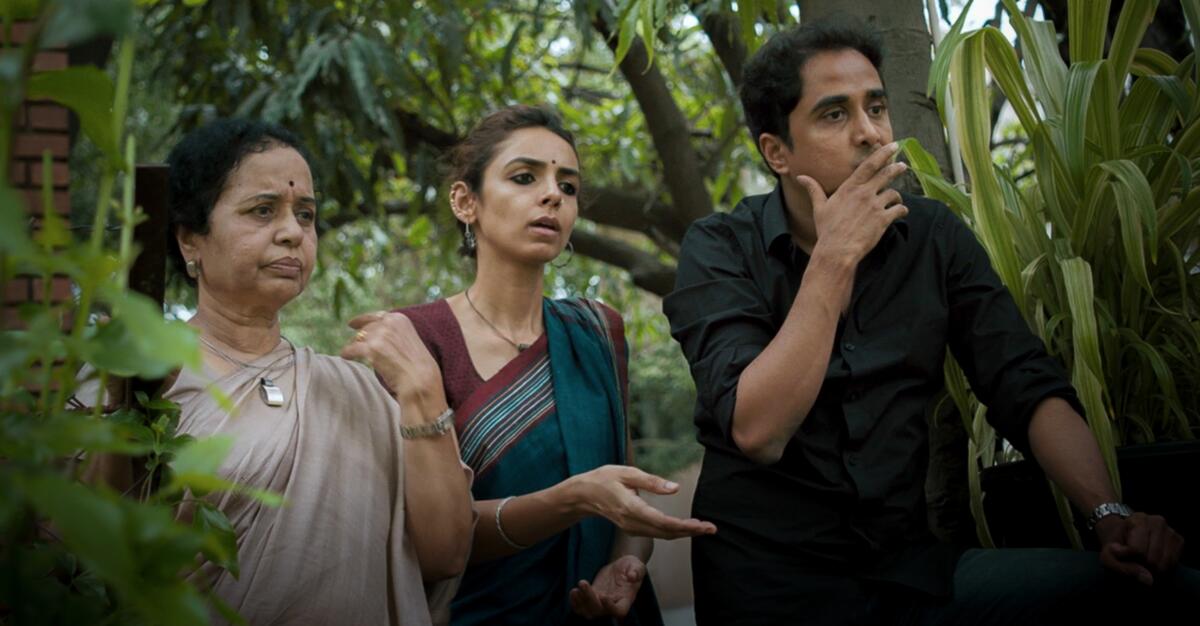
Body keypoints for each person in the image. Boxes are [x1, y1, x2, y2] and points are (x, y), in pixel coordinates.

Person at [663, 16, 1198, 626]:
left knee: (1163, 590)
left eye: (877, 107)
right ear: (776, 151)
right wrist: (835, 260)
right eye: (835, 115)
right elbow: (758, 429)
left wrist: (1109, 515)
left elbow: (1022, 382)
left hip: (914, 577)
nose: (869, 133)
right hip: (772, 591)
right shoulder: (719, 248)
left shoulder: (934, 237)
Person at [76, 118, 475, 625]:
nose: (292, 233)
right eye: (262, 211)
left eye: (304, 215)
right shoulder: (129, 380)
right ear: (190, 240)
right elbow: (72, 568)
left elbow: (447, 554)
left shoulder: (360, 389)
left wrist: (422, 389)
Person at [377, 104, 716, 625]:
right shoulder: (413, 341)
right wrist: (573, 499)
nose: (553, 194)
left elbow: (621, 484)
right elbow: (424, 537)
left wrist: (626, 560)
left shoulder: (597, 329)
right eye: (524, 177)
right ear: (466, 201)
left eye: (569, 185)